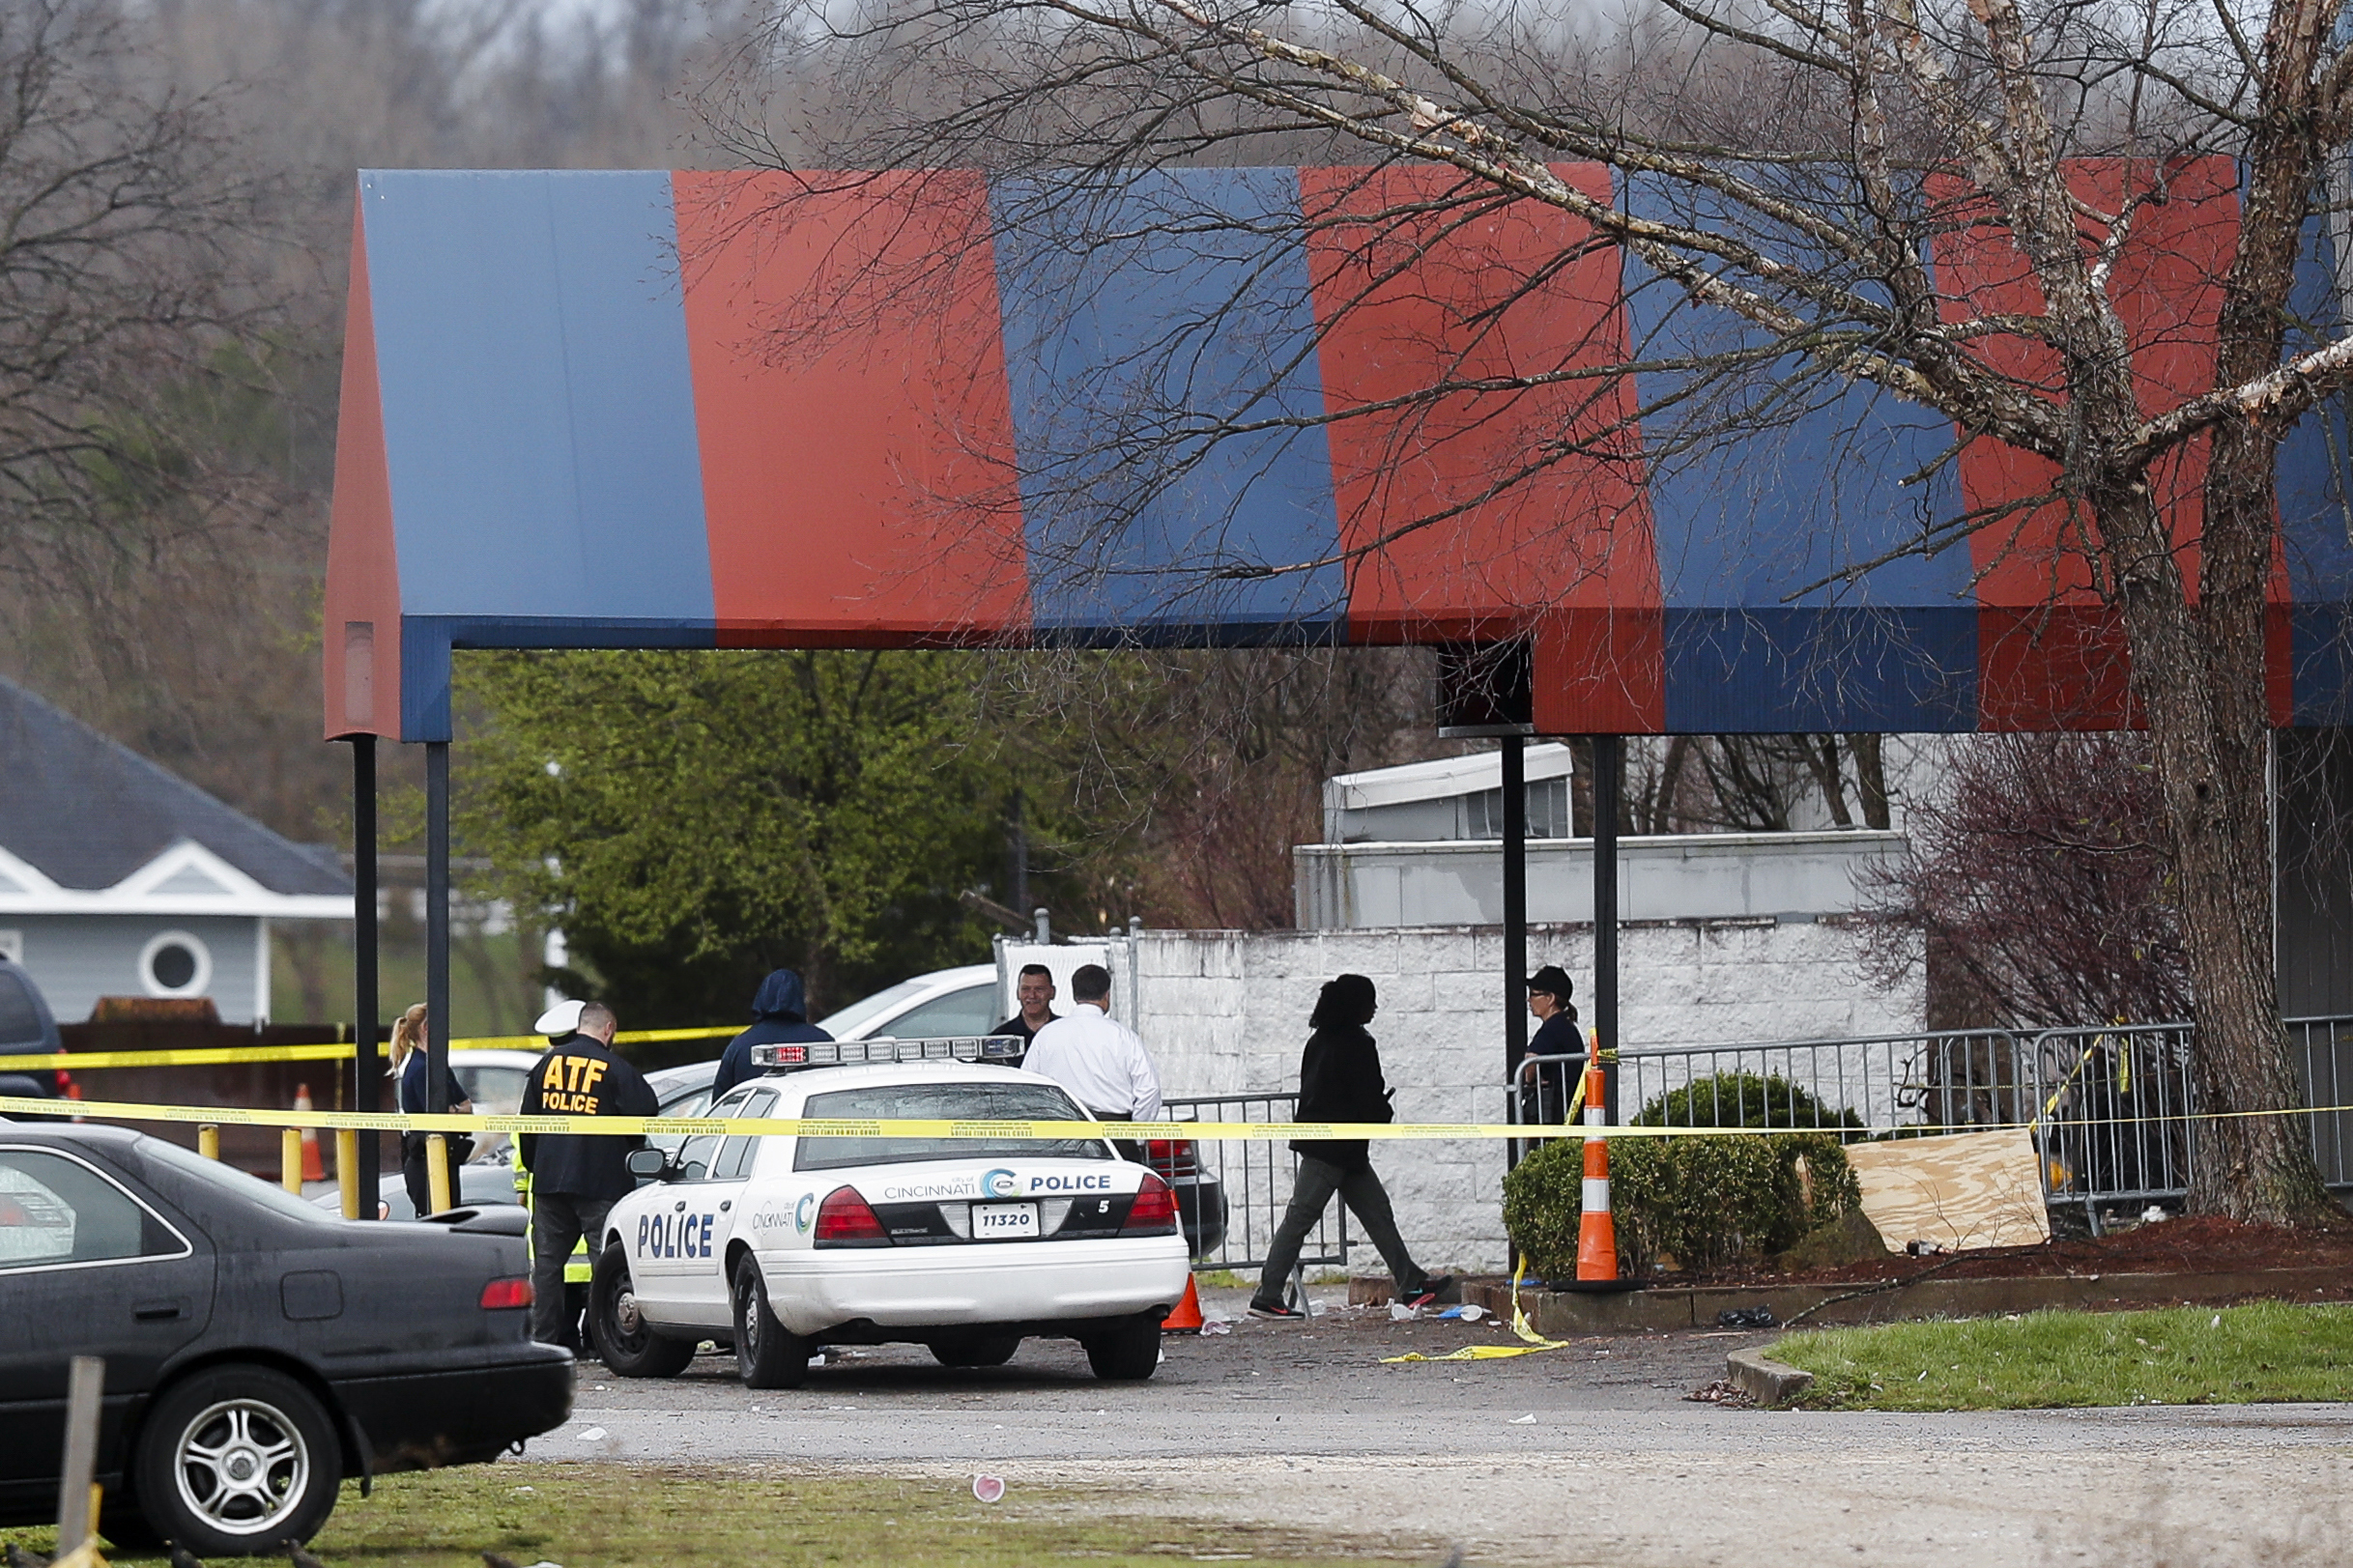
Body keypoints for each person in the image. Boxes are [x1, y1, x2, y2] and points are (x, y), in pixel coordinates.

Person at [1248, 974, 1451, 1321]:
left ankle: (1412, 1282)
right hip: (1337, 1150)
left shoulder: (1319, 1040)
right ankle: (1267, 1294)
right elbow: (1367, 1098)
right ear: (1357, 1005)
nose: (1374, 1007)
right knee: (1300, 1218)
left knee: (1377, 1213)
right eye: (1370, 1001)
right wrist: (1382, 1111)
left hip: (1331, 1146)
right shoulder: (1359, 1043)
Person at [519, 998, 656, 1349]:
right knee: (605, 1265)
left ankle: (543, 1343)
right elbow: (646, 1112)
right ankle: (605, 1343)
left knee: (547, 1268)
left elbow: (526, 1126)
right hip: (601, 1182)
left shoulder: (545, 1067)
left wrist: (538, 1169)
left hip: (550, 1184)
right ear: (608, 1030)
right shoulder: (615, 1067)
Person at [1020, 963, 1160, 1124]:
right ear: (1107, 995)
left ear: (1074, 995)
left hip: (1060, 1133)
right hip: (1114, 1133)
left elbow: (1027, 1085)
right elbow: (1149, 1089)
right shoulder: (1124, 1037)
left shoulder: (1046, 1035)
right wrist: (1137, 1133)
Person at [389, 1003, 473, 1218]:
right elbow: (440, 1114)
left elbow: (467, 1106)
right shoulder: (420, 1069)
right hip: (425, 1162)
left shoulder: (437, 1066)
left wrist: (454, 1110)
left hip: (444, 1158)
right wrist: (454, 1111)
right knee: (436, 1221)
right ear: (426, 1028)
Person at [710, 968, 834, 1098]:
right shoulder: (822, 1042)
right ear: (799, 998)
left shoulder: (740, 1045)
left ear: (762, 996)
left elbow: (721, 1104)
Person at [1521, 964, 1586, 1125]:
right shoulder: (1566, 1026)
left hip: (1556, 1114)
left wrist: (1530, 1081)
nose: (1529, 1000)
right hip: (1568, 1111)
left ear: (1550, 998)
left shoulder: (1553, 1028)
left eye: (1533, 994)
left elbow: (1531, 1060)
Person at [989, 963, 1059, 1063]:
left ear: (1052, 992)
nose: (1032, 995)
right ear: (1018, 993)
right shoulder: (1000, 1037)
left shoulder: (1066, 1032)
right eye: (1026, 989)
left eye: (1039, 989)